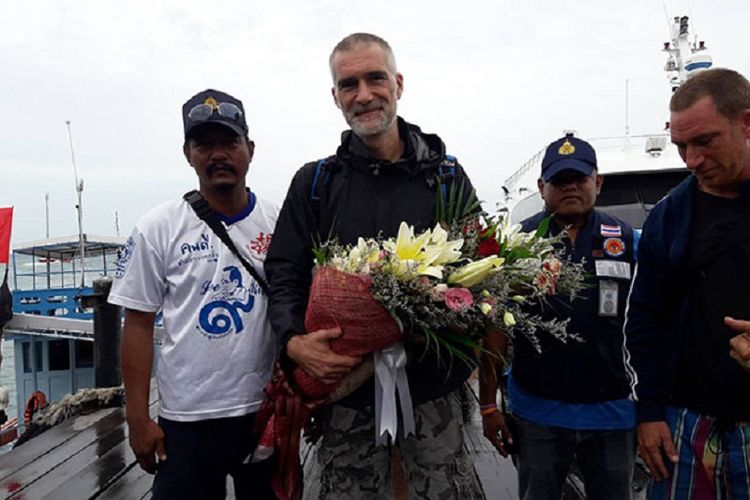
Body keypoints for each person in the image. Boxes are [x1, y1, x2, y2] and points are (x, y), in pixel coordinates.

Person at [265, 33, 483, 499]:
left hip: (433, 386)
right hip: (347, 391)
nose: (363, 94)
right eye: (349, 84)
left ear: (398, 84)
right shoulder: (315, 184)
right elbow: (284, 272)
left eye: (374, 78)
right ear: (335, 96)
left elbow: (477, 271)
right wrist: (293, 342)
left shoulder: (446, 177)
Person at [108, 89, 278, 500]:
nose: (218, 154)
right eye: (204, 144)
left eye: (229, 142)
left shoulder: (279, 221)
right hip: (185, 421)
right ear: (188, 153)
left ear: (250, 149)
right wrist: (137, 418)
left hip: (264, 412)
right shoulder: (158, 227)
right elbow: (139, 323)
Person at [480, 134, 638, 500]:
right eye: (559, 180)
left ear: (597, 183)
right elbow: (494, 330)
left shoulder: (628, 241)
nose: (570, 187)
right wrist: (488, 404)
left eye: (579, 179)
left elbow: (650, 325)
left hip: (614, 413)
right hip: (539, 413)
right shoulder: (513, 245)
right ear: (541, 187)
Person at [623, 68, 750, 499]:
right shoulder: (669, 216)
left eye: (705, 142)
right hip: (687, 428)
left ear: (746, 123)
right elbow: (642, 319)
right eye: (681, 147)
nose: (692, 161)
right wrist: (649, 412)